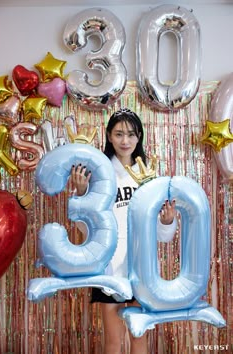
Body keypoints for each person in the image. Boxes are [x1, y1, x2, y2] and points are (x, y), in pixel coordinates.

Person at [71, 108, 177, 354]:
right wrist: (81, 194)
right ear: (109, 136)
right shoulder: (98, 174)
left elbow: (163, 236)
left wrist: (168, 221)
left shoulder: (148, 175)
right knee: (113, 341)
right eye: (119, 134)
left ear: (139, 136)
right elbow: (84, 229)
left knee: (139, 338)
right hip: (110, 268)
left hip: (143, 268)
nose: (125, 141)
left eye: (131, 134)